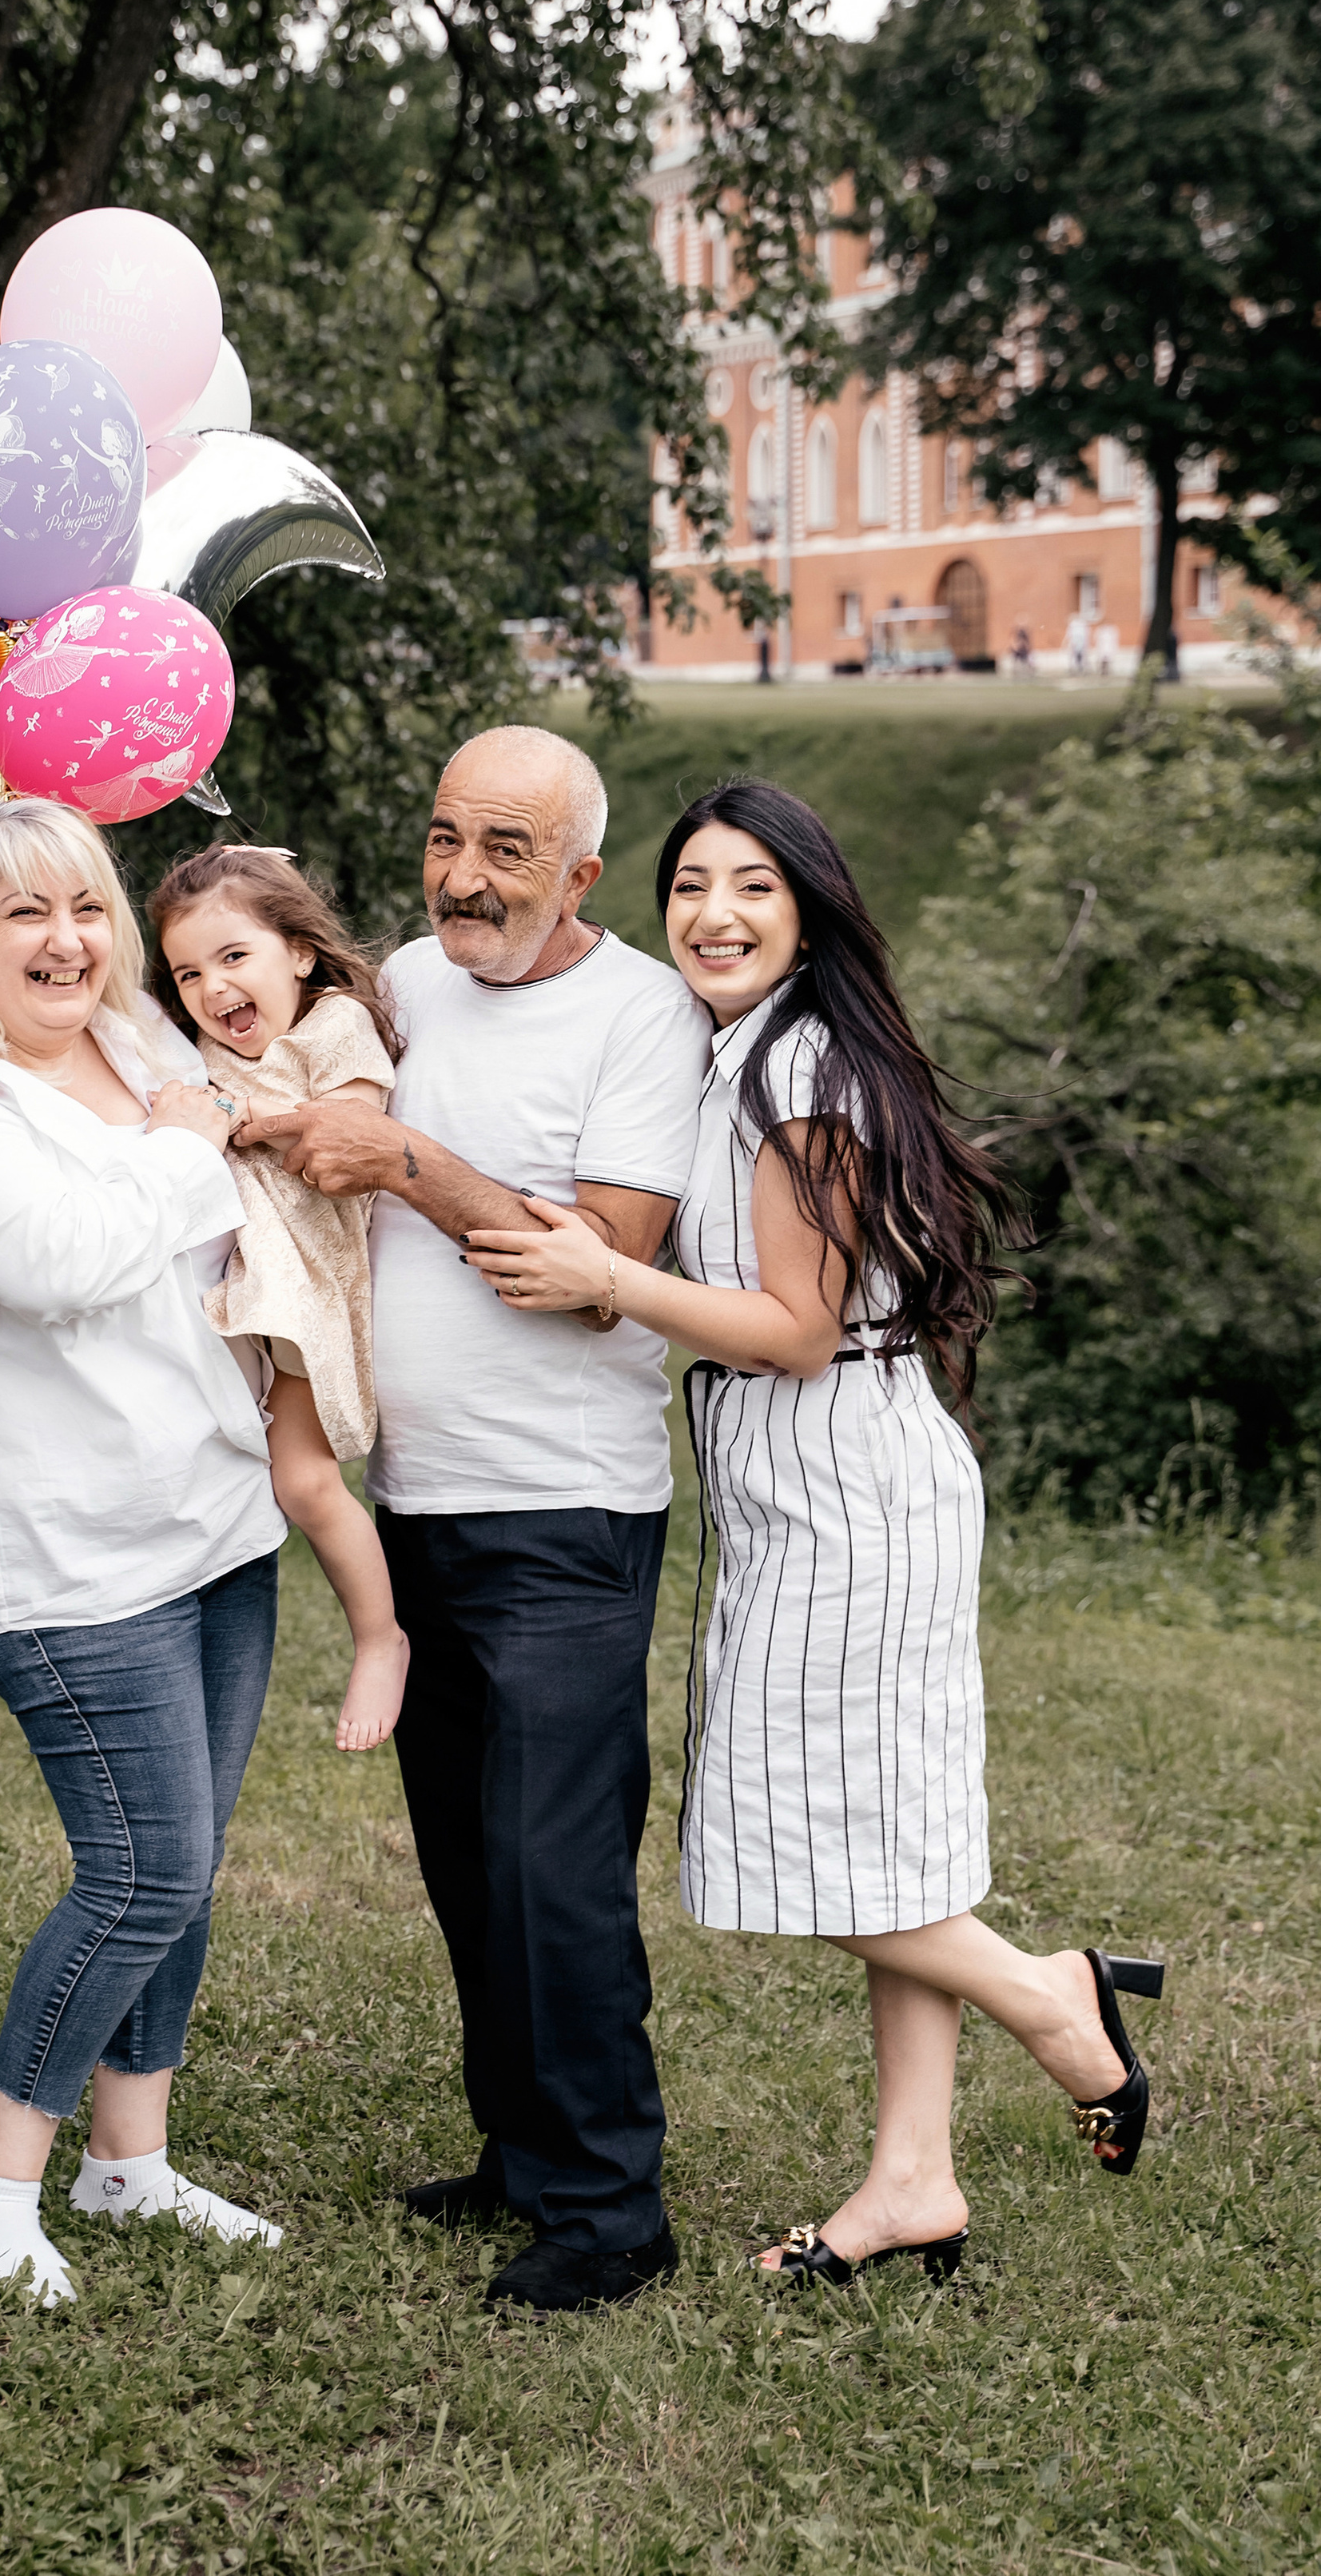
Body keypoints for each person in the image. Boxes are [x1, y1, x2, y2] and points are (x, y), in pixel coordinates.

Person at [465, 778, 1166, 2286]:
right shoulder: (752, 1051)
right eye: (691, 886)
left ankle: (1055, 2002)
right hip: (819, 1471)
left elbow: (791, 1328)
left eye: (754, 888)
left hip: (846, 1477)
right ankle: (914, 2183)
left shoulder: (802, 1075)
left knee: (812, 1851)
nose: (714, 914)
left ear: (812, 909)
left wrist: (609, 1278)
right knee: (888, 1843)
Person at [237, 727, 711, 2314]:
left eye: (506, 849)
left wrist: (414, 1163)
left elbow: (605, 1265)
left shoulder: (639, 1012)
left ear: (576, 872)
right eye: (445, 836)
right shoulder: (399, 987)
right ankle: (518, 2153)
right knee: (465, 1860)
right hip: (415, 1505)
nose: (463, 875)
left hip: (564, 1512)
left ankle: (607, 2211)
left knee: (550, 1867)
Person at [0, 798, 289, 2306]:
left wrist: (181, 1137)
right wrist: (186, 1153)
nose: (67, 942)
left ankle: (131, 2161)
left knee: (189, 1871)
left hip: (216, 1516)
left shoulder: (142, 1049)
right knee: (142, 1868)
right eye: (23, 917)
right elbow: (65, 1265)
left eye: (87, 908)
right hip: (62, 1550)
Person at [147, 844, 409, 1753]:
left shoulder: (334, 1027)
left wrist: (232, 1125)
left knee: (301, 1481)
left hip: (302, 1289)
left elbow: (350, 1133)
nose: (212, 986)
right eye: (188, 972)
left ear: (297, 952)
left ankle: (380, 1637)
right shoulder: (204, 1050)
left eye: (232, 957)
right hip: (235, 1289)